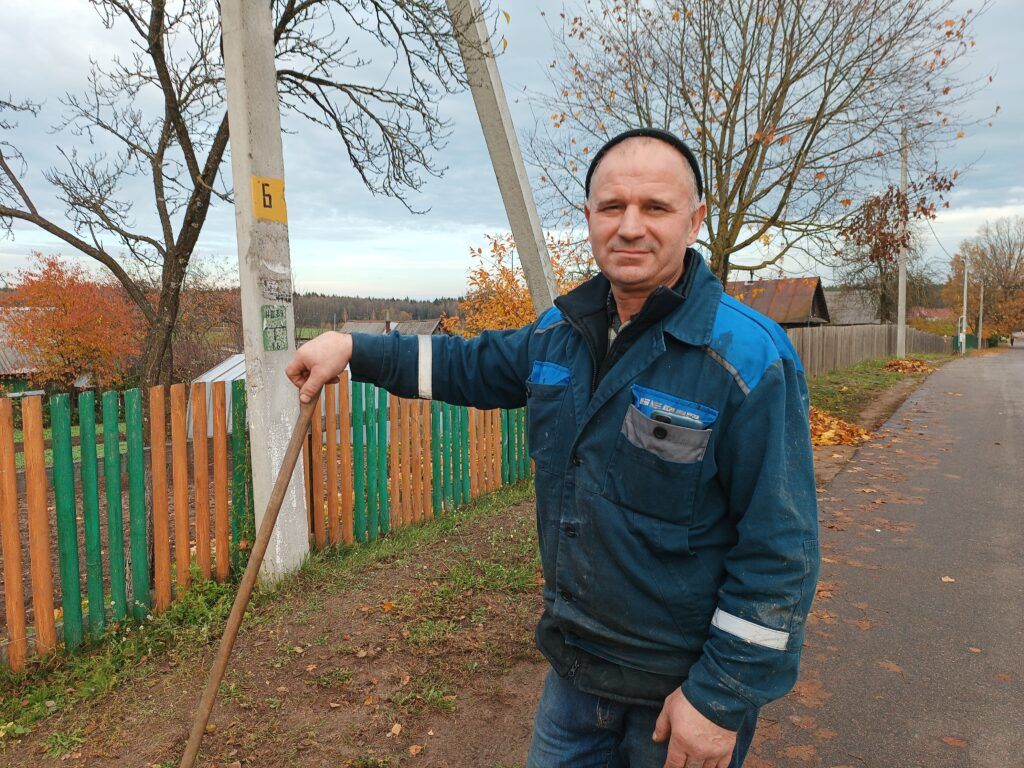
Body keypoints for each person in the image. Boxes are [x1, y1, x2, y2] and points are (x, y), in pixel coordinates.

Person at [286, 128, 819, 768]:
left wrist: (721, 699)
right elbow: (468, 364)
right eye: (611, 207)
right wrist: (354, 349)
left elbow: (780, 552)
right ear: (589, 217)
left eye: (655, 208)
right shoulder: (562, 332)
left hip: (678, 696)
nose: (630, 227)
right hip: (574, 678)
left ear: (695, 219)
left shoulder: (747, 360)